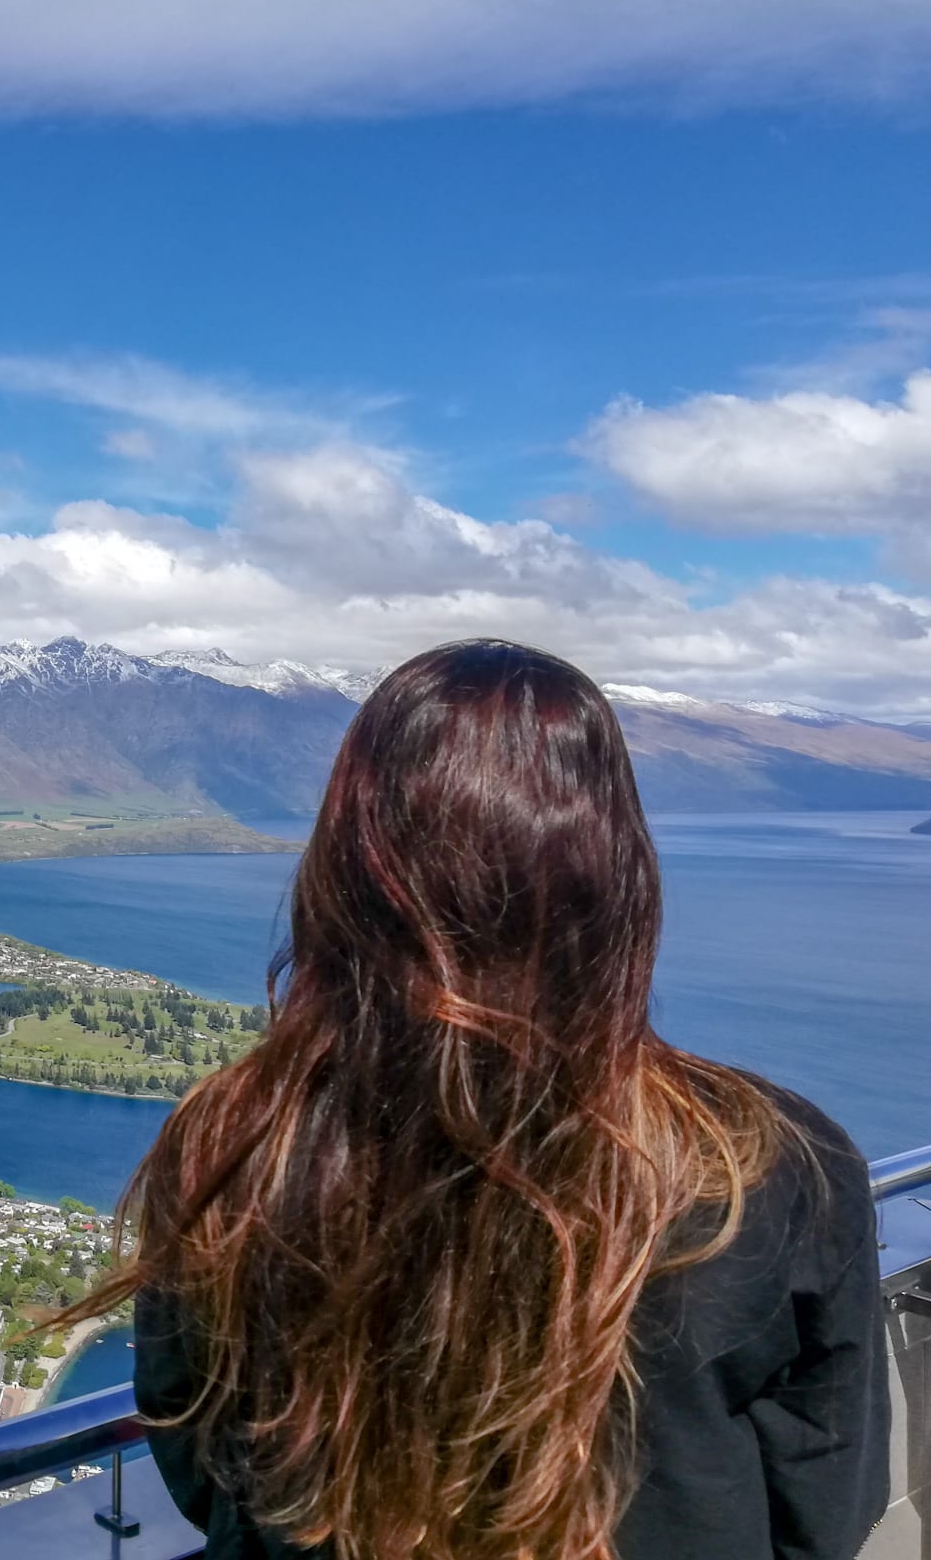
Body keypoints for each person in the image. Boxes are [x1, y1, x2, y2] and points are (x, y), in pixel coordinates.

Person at [60, 640, 888, 1560]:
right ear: (613, 870)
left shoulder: (239, 1139)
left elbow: (194, 1437)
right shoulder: (767, 1163)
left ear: (352, 865)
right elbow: (825, 1496)